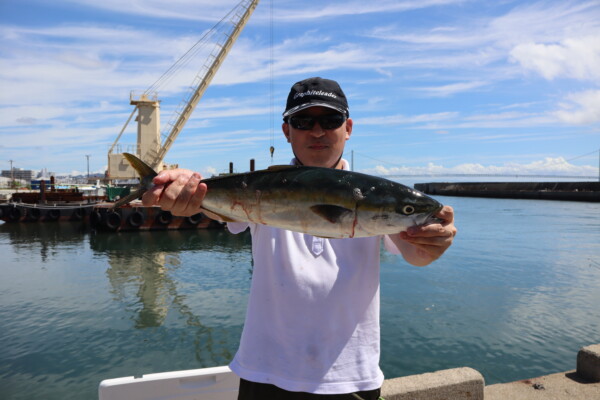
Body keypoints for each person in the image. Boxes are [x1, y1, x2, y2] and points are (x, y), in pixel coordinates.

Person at [142, 77, 457, 400]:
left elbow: (418, 254)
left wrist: (434, 241)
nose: (317, 131)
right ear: (286, 131)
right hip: (264, 372)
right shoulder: (260, 189)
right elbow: (212, 203)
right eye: (303, 121)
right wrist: (185, 186)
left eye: (330, 120)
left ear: (348, 127)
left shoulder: (375, 197)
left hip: (350, 377)